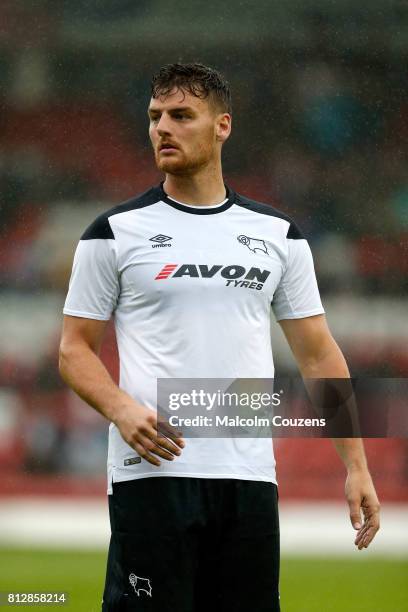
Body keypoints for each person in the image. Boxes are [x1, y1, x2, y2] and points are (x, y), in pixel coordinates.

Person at [59, 62, 380, 612]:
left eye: (182, 116)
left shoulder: (278, 236)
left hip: (248, 477)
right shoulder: (112, 233)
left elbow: (318, 352)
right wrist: (120, 409)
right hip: (154, 473)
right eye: (155, 116)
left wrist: (357, 465)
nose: (163, 128)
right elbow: (73, 349)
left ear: (222, 126)